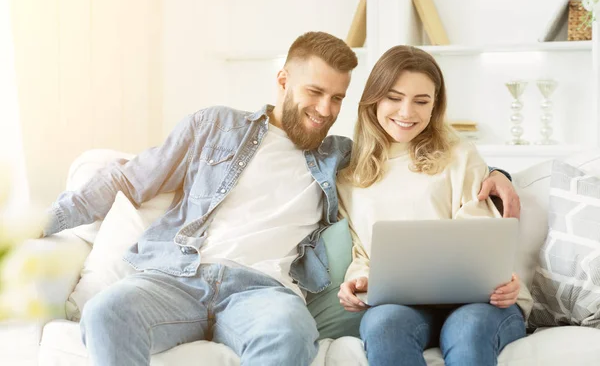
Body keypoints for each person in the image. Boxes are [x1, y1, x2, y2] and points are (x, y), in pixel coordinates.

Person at [41, 32, 520, 366]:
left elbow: (417, 163)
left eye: (337, 98)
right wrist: (39, 224)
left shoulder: (342, 158)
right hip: (178, 277)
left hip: (263, 291)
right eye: (315, 92)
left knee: (290, 334)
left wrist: (501, 173)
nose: (324, 110)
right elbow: (127, 181)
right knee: (107, 311)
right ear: (283, 81)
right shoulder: (214, 126)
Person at [336, 45, 533, 366]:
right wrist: (358, 283)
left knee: (467, 333)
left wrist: (502, 279)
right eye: (394, 97)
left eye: (421, 101)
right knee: (385, 328)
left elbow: (482, 241)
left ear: (434, 106)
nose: (406, 112)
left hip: (480, 304)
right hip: (402, 307)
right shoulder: (350, 176)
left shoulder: (460, 155)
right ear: (373, 99)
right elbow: (363, 252)